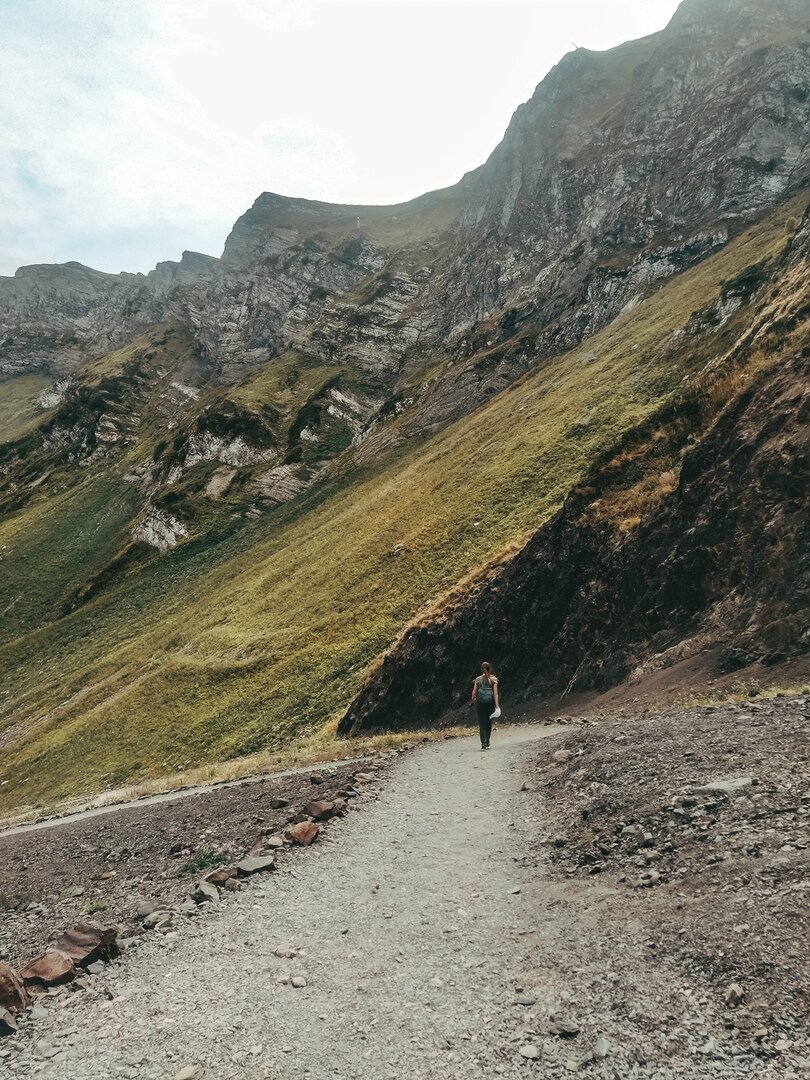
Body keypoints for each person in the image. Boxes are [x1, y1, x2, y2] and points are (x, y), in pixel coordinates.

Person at [471, 661, 499, 750]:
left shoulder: (478, 679)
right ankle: (487, 742)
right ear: (490, 669)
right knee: (488, 722)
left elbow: (474, 694)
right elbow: (495, 694)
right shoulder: (494, 679)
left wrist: (476, 701)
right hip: (490, 703)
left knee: (482, 723)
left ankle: (483, 743)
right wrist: (497, 705)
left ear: (481, 670)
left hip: (480, 704)